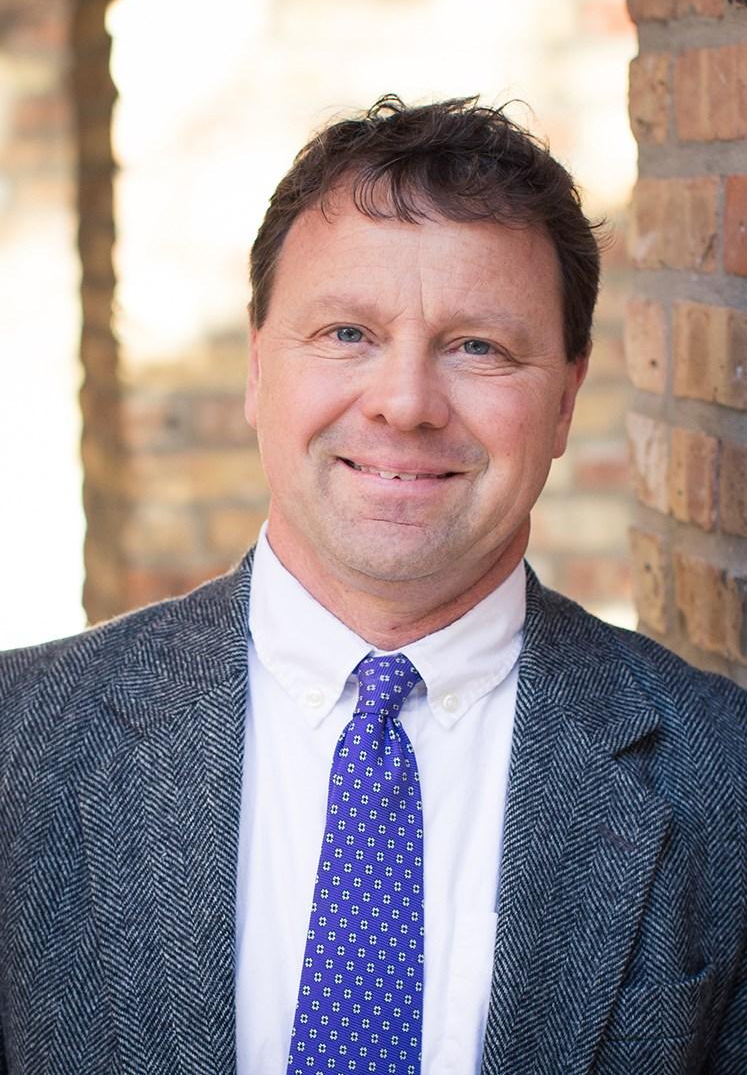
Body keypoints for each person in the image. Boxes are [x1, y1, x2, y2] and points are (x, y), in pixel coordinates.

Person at [0, 96, 745, 1075]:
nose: (404, 403)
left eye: (478, 346)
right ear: (257, 367)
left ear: (566, 399)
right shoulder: (19, 742)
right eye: (348, 332)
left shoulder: (723, 775)